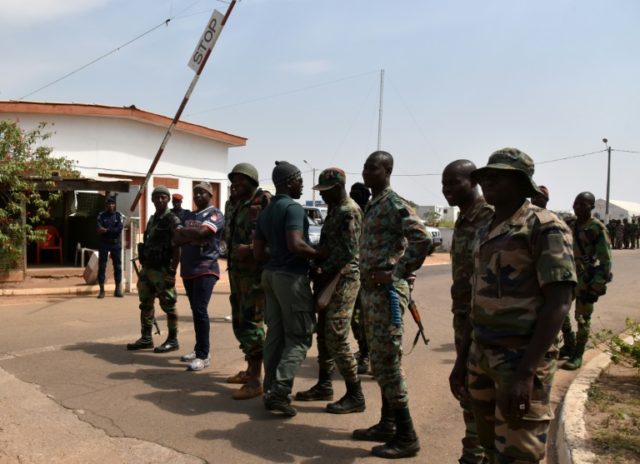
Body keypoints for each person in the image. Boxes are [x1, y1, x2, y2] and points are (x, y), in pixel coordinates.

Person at [449, 148, 576, 464]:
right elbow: (475, 303)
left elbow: (559, 303)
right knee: (490, 452)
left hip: (520, 359)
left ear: (521, 183)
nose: (488, 181)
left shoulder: (545, 227)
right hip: (482, 355)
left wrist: (525, 374)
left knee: (518, 456)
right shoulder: (485, 229)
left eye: (499, 176)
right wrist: (462, 360)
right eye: (486, 176)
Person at [353, 151, 430, 459]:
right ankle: (387, 425)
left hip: (387, 295)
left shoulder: (395, 203)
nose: (365, 172)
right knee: (381, 361)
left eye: (371, 168)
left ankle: (407, 435)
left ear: (386, 170)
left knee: (388, 363)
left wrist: (397, 271)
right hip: (371, 292)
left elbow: (423, 240)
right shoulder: (373, 203)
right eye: (364, 167)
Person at [295, 168, 365, 414]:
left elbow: (348, 252)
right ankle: (324, 385)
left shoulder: (349, 211)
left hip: (343, 278)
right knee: (323, 334)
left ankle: (355, 394)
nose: (322, 197)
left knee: (336, 334)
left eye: (326, 192)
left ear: (338, 188)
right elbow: (329, 244)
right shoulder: (335, 209)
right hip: (329, 277)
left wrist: (322, 267)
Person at [253, 161, 320, 417]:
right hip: (289, 277)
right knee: (300, 336)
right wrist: (319, 253)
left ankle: (270, 388)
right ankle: (280, 392)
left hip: (269, 275)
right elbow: (296, 244)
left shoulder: (266, 212)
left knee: (276, 335)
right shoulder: (292, 208)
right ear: (289, 181)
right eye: (299, 180)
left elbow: (258, 252)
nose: (302, 184)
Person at [441, 159, 493, 464]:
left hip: (486, 318)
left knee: (481, 387)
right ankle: (475, 452)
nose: (447, 190)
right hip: (463, 316)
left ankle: (475, 454)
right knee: (468, 387)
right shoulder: (462, 220)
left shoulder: (489, 217)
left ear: (472, 182)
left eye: (453, 183)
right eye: (444, 184)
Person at [226, 163, 271, 399]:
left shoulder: (264, 202)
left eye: (242, 179)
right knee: (240, 324)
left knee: (253, 326)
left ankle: (256, 380)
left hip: (255, 275)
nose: (237, 183)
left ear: (253, 180)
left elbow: (277, 239)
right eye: (234, 179)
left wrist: (251, 248)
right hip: (236, 274)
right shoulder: (232, 204)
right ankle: (249, 370)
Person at [174, 182, 224, 371]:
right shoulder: (188, 215)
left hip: (206, 268)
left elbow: (204, 232)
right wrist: (193, 236)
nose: (198, 196)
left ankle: (204, 355)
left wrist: (189, 234)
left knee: (201, 310)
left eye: (202, 193)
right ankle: (198, 349)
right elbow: (176, 238)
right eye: (195, 193)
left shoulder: (215, 214)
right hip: (188, 269)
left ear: (210, 195)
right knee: (195, 310)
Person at [560, 192, 613, 370]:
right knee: (559, 311)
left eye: (583, 204)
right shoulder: (571, 224)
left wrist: (596, 286)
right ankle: (569, 344)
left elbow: (605, 262)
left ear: (591, 207)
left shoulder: (597, 228)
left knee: (582, 318)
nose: (578, 207)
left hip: (585, 279)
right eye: (576, 203)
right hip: (568, 275)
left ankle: (578, 354)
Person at [127, 186, 182, 352]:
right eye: (156, 197)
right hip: (148, 269)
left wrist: (172, 272)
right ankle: (146, 338)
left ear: (168, 200)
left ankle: (173, 339)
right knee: (145, 304)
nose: (160, 200)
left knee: (169, 305)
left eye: (163, 197)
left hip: (163, 270)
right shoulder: (152, 219)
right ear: (152, 200)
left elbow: (177, 248)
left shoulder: (173, 220)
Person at [349, 182, 371, 375]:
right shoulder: (353, 214)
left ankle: (371, 355)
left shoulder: (373, 214)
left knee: (370, 320)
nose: (355, 196)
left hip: (373, 277)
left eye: (360, 194)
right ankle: (364, 351)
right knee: (356, 319)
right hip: (356, 275)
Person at [96, 195, 125, 298]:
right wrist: (106, 230)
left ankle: (117, 289)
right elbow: (98, 229)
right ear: (106, 205)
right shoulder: (101, 215)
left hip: (115, 243)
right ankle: (102, 290)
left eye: (112, 203)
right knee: (102, 266)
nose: (110, 205)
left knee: (117, 266)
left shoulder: (118, 216)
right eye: (108, 204)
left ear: (115, 204)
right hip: (104, 243)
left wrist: (106, 230)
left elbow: (119, 229)